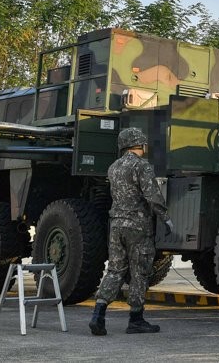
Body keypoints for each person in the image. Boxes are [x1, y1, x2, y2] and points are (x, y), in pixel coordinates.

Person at [89, 127, 172, 336]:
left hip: (116, 225)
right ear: (141, 145)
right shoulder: (142, 167)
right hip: (138, 226)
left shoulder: (113, 168)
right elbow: (152, 196)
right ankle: (136, 319)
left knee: (115, 269)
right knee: (139, 272)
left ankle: (98, 313)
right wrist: (166, 218)